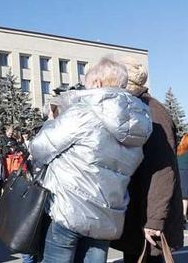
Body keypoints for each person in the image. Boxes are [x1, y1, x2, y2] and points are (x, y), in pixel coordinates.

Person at [30, 57, 152, 262]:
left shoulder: (84, 111)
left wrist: (52, 122)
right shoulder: (139, 121)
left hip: (68, 207)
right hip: (107, 213)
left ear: (98, 83)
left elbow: (39, 148)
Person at [110, 60, 184, 263]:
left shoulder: (153, 113)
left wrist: (155, 220)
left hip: (148, 214)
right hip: (138, 211)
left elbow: (162, 171)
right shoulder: (136, 108)